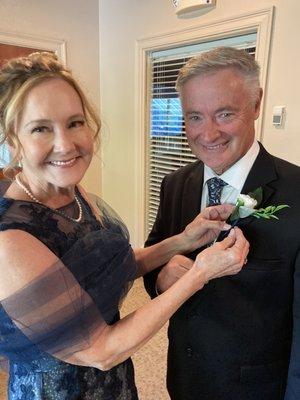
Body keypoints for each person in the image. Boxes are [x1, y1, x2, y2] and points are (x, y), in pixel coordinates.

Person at [0, 52, 249, 400]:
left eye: (75, 123)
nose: (66, 144)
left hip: (115, 382)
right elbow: (100, 350)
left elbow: (110, 268)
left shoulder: (74, 194)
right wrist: (199, 274)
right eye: (41, 128)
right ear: (13, 139)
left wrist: (182, 240)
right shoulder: (10, 239)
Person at [144, 46, 300, 400]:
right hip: (183, 377)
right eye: (194, 117)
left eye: (224, 114)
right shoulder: (175, 184)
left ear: (256, 104)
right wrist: (161, 278)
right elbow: (155, 259)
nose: (207, 133)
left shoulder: (299, 193)